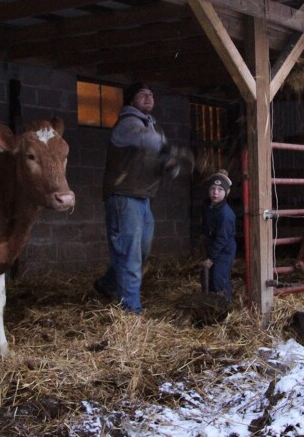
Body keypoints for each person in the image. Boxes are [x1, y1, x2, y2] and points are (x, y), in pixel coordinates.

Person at [94, 82, 180, 313]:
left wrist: (170, 166)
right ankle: (130, 311)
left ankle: (108, 284)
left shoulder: (152, 126)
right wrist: (173, 152)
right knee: (131, 254)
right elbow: (148, 141)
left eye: (151, 94)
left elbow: (155, 156)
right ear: (131, 101)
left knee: (140, 251)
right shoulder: (129, 123)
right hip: (124, 197)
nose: (148, 97)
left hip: (143, 198)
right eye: (142, 94)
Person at [199, 169, 237, 304]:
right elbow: (205, 223)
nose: (215, 192)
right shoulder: (208, 206)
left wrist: (211, 258)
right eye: (213, 188)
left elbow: (222, 239)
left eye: (220, 189)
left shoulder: (225, 214)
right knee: (205, 276)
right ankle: (209, 303)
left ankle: (225, 304)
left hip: (224, 249)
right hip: (212, 245)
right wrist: (204, 235)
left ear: (227, 193)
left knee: (218, 277)